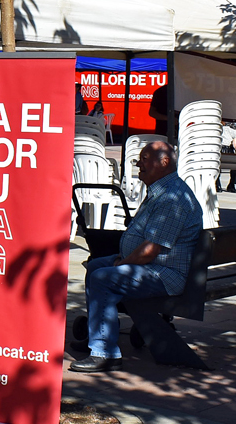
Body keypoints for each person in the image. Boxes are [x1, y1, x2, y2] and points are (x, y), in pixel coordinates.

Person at [71, 141, 202, 373]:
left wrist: (121, 263)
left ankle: (105, 353)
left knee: (103, 277)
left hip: (164, 275)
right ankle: (98, 334)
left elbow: (150, 251)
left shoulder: (173, 198)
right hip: (152, 268)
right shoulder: (161, 191)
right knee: (95, 267)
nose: (138, 163)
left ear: (164, 162)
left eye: (144, 158)